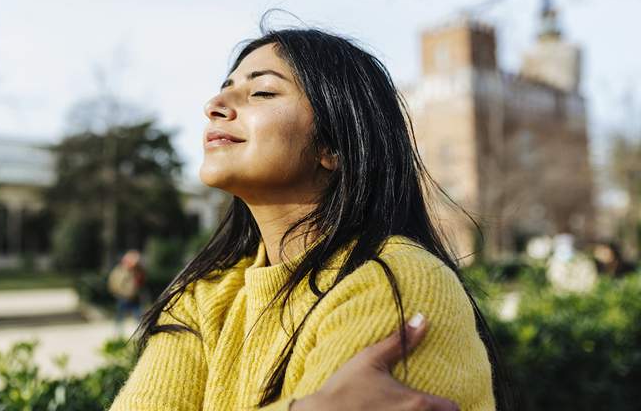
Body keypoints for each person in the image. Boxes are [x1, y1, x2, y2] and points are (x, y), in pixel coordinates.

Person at [109, 26, 512, 410]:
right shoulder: (201, 298)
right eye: (225, 90)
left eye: (262, 92)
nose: (214, 107)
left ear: (333, 145)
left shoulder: (395, 281)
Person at [108, 249, 146, 322]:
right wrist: (118, 293)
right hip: (123, 296)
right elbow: (115, 283)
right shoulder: (120, 271)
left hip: (134, 295)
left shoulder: (137, 271)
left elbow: (141, 281)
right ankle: (118, 330)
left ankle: (142, 328)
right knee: (120, 315)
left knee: (138, 314)